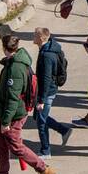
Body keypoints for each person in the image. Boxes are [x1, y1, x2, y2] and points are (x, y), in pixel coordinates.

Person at [0, 35, 55, 174]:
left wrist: (5, 121)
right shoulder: (13, 62)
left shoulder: (16, 68)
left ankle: (44, 169)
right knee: (0, 146)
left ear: (4, 48)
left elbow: (12, 98)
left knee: (15, 145)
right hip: (5, 113)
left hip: (13, 114)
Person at [33, 27, 71, 157]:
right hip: (48, 90)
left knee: (41, 121)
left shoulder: (47, 55)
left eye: (35, 35)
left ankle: (45, 151)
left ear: (40, 38)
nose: (33, 37)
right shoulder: (48, 48)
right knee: (39, 117)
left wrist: (41, 100)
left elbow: (46, 78)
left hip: (47, 92)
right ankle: (63, 130)